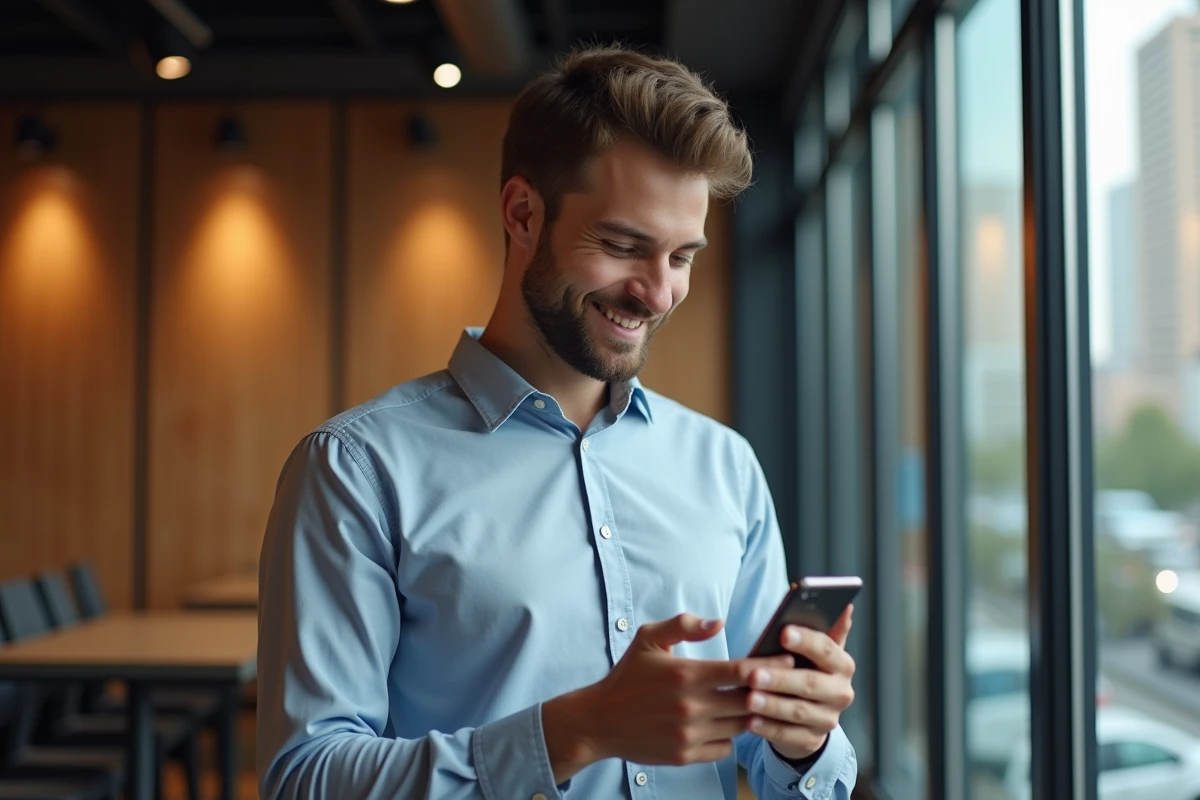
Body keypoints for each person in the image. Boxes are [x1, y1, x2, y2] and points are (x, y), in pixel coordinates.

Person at [257, 44, 858, 800]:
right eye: (623, 246)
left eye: (682, 257)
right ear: (522, 214)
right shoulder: (355, 470)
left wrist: (804, 743)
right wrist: (573, 733)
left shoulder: (725, 466)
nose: (658, 294)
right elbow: (304, 779)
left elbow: (766, 755)